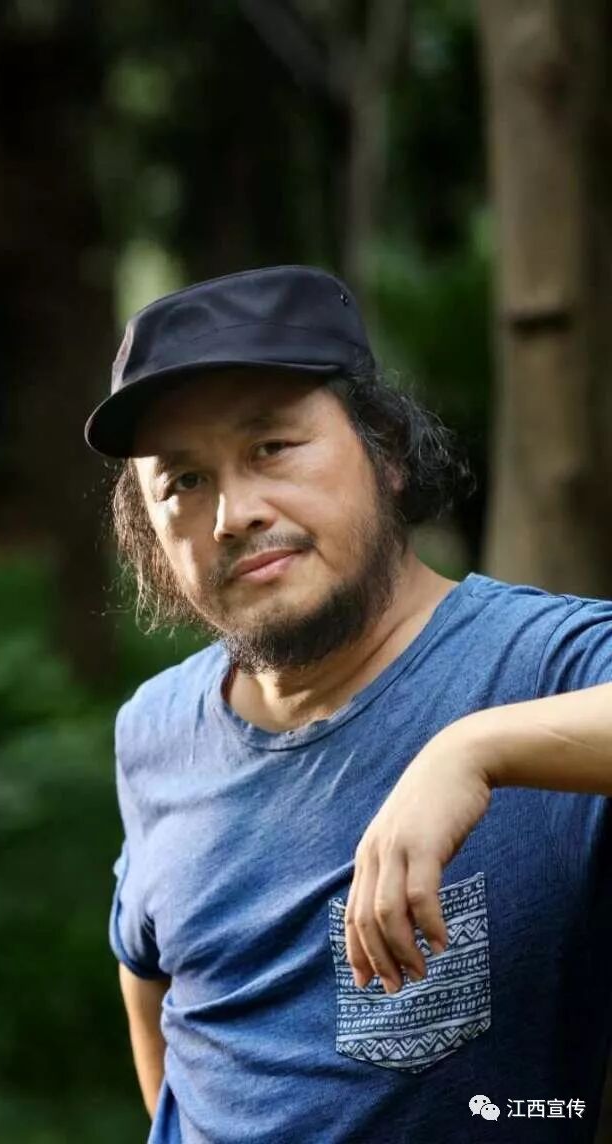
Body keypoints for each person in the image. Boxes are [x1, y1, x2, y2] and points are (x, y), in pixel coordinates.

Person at [83, 265, 612, 1144]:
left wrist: (472, 751)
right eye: (184, 481)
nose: (233, 514)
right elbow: (156, 995)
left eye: (271, 447)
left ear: (386, 451)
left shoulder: (541, 664)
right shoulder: (155, 726)